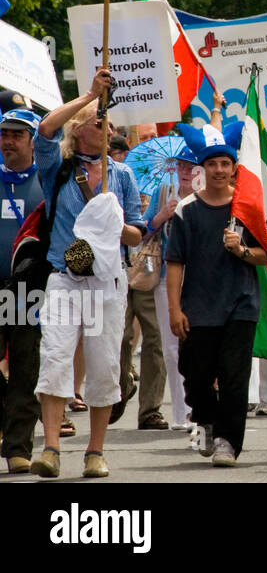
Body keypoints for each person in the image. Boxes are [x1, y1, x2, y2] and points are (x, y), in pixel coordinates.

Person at [30, 69, 145, 479]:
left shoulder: (124, 176)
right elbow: (44, 129)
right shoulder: (56, 168)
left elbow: (136, 232)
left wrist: (116, 223)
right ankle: (51, 449)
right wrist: (89, 96)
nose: (107, 128)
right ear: (80, 130)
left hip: (105, 284)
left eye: (109, 122)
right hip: (64, 278)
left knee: (102, 365)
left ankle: (95, 452)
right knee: (56, 358)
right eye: (101, 121)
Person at [165, 139, 267, 467]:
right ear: (202, 169)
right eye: (213, 164)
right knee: (196, 375)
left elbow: (266, 255)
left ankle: (228, 442)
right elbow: (175, 262)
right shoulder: (187, 210)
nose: (219, 170)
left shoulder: (248, 207)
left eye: (225, 164)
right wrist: (174, 309)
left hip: (241, 304)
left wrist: (241, 250)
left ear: (234, 167)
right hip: (198, 308)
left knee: (234, 376)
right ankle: (206, 423)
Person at [1, 108, 46, 473]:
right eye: (4, 134)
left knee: (25, 368)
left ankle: (18, 446)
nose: (8, 141)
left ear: (33, 141)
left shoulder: (48, 183)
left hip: (27, 292)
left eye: (16, 135)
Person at [143, 151, 198, 431]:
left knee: (200, 343)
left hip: (201, 279)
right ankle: (182, 412)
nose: (187, 171)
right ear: (175, 168)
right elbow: (142, 230)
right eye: (183, 165)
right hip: (165, 277)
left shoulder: (207, 195)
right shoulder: (163, 192)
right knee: (172, 346)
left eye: (193, 166)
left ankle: (202, 407)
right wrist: (163, 215)